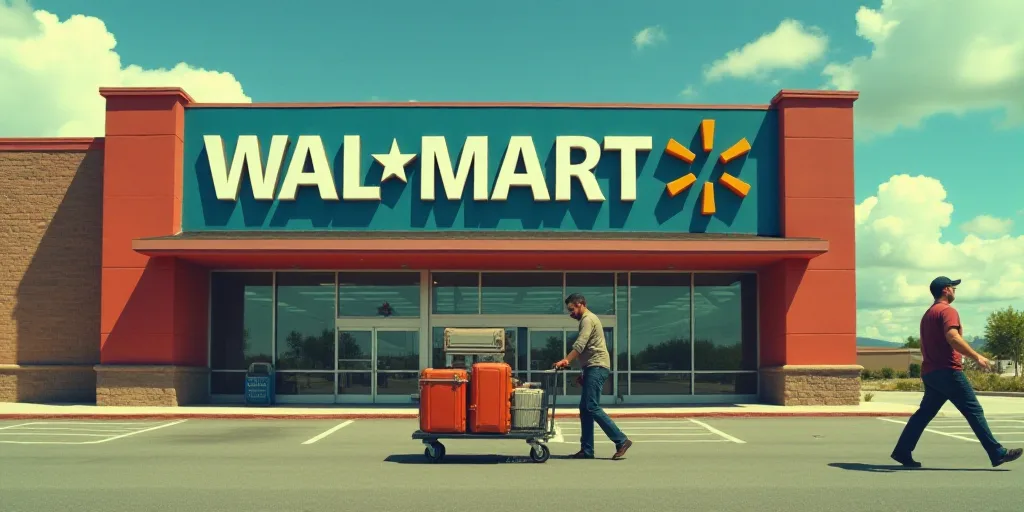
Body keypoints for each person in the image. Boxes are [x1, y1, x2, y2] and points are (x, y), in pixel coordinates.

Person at [890, 276, 1022, 468]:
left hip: (931, 372)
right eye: (953, 287)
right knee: (973, 410)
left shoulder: (928, 314)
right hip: (948, 371)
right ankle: (997, 453)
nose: (955, 291)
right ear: (946, 290)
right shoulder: (947, 311)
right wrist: (976, 356)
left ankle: (902, 451)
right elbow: (953, 337)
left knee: (924, 413)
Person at [553, 293, 632, 460]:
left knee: (591, 406)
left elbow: (580, 344)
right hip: (592, 367)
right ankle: (587, 450)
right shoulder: (587, 320)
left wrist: (566, 360)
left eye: (572, 309)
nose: (570, 314)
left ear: (580, 304)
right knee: (585, 408)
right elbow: (588, 349)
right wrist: (584, 373)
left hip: (597, 367)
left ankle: (621, 440)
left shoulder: (588, 319)